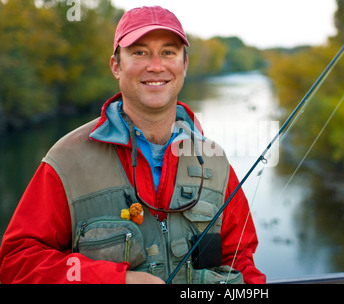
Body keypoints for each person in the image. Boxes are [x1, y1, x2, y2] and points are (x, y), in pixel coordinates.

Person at [0, 6, 265, 284]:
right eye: (139, 52)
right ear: (116, 66)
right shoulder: (67, 159)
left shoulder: (215, 160)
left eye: (168, 52)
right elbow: (17, 262)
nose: (156, 66)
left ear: (184, 65)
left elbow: (242, 261)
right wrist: (116, 280)